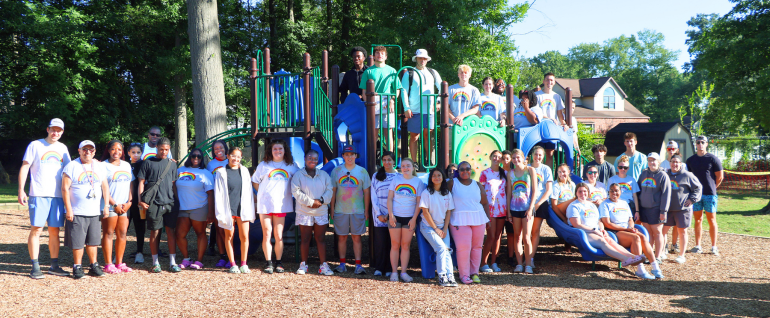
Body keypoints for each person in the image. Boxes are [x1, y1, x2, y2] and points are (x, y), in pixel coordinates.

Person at [18, 118, 71, 279]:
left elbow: (70, 170)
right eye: (53, 129)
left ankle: (54, 265)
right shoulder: (36, 145)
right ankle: (35, 266)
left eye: (59, 130)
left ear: (62, 132)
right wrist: (21, 190)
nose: (56, 133)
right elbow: (25, 166)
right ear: (47, 129)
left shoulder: (63, 148)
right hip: (39, 194)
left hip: (57, 196)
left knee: (54, 231)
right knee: (37, 230)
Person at [62, 140, 110, 279]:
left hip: (94, 211)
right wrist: (69, 209)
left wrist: (106, 205)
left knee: (93, 240)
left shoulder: (99, 166)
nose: (87, 152)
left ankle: (93, 265)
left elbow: (105, 187)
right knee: (77, 241)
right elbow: (65, 189)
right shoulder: (72, 166)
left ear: (94, 152)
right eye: (85, 149)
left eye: (90, 149)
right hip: (77, 211)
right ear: (79, 150)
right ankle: (77, 266)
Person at [567, 183, 645, 268]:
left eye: (585, 191)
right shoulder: (574, 206)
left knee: (611, 241)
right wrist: (594, 230)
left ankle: (633, 256)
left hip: (595, 231)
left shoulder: (591, 205)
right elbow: (577, 225)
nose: (583, 194)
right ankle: (624, 259)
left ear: (588, 193)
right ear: (576, 193)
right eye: (580, 191)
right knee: (602, 242)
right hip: (583, 232)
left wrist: (602, 229)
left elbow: (599, 221)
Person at [251, 139, 299, 274]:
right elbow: (254, 181)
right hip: (265, 205)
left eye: (280, 149)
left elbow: (300, 180)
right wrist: (262, 193)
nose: (278, 151)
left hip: (281, 205)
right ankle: (268, 263)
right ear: (270, 151)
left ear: (285, 151)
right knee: (266, 234)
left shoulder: (291, 165)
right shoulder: (264, 165)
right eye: (275, 149)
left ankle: (279, 262)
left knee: (278, 235)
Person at [600, 184, 662, 279]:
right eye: (611, 191)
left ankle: (655, 267)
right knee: (636, 238)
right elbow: (607, 223)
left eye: (616, 190)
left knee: (643, 237)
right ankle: (640, 269)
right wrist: (626, 229)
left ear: (620, 192)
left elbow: (630, 219)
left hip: (627, 229)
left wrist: (631, 227)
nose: (614, 193)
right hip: (615, 232)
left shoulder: (624, 203)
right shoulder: (605, 204)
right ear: (608, 192)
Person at [137, 137, 179, 273]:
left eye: (166, 150)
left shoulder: (172, 164)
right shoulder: (148, 163)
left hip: (170, 203)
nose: (164, 152)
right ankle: (155, 263)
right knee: (155, 232)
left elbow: (174, 184)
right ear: (157, 148)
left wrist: (177, 201)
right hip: (153, 203)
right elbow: (141, 182)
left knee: (171, 232)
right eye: (161, 149)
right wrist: (140, 200)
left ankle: (173, 262)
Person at [291, 150, 334, 275]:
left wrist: (320, 200)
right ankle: (303, 265)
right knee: (305, 238)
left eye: (315, 158)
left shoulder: (324, 175)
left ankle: (323, 265)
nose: (312, 160)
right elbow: (296, 192)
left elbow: (329, 190)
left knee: (320, 238)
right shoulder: (298, 175)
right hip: (305, 211)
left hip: (320, 211)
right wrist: (310, 202)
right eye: (310, 158)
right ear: (305, 158)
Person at [330, 145, 372, 274]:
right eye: (347, 155)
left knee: (357, 237)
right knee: (341, 237)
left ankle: (358, 265)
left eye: (352, 154)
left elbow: (366, 192)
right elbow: (333, 192)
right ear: (343, 156)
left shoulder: (362, 171)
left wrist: (366, 210)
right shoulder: (336, 171)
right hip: (340, 210)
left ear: (355, 156)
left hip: (357, 210)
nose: (349, 157)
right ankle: (342, 264)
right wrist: (331, 209)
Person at [214, 147, 255, 274]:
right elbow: (218, 193)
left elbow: (249, 192)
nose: (235, 159)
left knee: (244, 236)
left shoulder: (244, 171)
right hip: (228, 209)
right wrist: (219, 212)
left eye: (238, 157)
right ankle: (232, 264)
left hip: (242, 208)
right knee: (229, 236)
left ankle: (243, 263)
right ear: (228, 156)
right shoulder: (221, 172)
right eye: (233, 156)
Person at [449, 161, 490, 284]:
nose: (465, 171)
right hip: (458, 220)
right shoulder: (451, 183)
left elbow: (485, 203)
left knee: (477, 247)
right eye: (462, 169)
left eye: (468, 169)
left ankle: (475, 273)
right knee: (463, 248)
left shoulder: (477, 184)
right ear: (458, 171)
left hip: (478, 219)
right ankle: (464, 275)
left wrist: (488, 219)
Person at [174, 148, 214, 270]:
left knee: (200, 233)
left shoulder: (205, 173)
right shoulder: (180, 171)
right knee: (179, 234)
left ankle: (199, 260)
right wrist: (176, 200)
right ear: (189, 157)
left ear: (202, 159)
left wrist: (211, 212)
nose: (196, 159)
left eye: (199, 157)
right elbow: (173, 185)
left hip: (199, 207)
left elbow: (210, 193)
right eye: (193, 156)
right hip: (182, 208)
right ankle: (186, 258)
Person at [386, 158, 425, 282]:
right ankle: (394, 272)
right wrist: (391, 215)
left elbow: (419, 202)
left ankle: (403, 272)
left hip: (409, 218)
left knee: (405, 245)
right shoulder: (395, 179)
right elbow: (390, 198)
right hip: (395, 217)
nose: (405, 168)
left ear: (413, 167)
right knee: (395, 244)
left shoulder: (418, 182)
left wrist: (414, 219)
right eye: (403, 166)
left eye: (408, 165)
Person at [401, 49, 442, 164]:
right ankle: (414, 164)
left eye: (424, 58)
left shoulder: (433, 72)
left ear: (427, 60)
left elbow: (442, 88)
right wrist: (406, 108)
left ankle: (429, 162)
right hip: (414, 109)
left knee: (428, 134)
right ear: (416, 59)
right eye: (420, 58)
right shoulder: (409, 73)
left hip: (429, 110)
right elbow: (403, 91)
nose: (422, 60)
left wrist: (438, 102)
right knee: (414, 136)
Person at [100, 140, 135, 274]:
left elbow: (131, 184)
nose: (116, 152)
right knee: (108, 233)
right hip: (110, 205)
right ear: (108, 150)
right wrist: (114, 204)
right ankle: (108, 264)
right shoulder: (103, 166)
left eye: (119, 149)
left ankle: (119, 262)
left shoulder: (126, 165)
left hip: (124, 205)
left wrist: (130, 202)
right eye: (113, 149)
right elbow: (103, 188)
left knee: (122, 233)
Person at [419, 168, 457, 287]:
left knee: (447, 250)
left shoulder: (447, 193)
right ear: (431, 178)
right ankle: (442, 276)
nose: (436, 177)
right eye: (434, 175)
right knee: (441, 248)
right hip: (428, 227)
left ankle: (450, 276)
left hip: (442, 227)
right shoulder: (426, 193)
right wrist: (436, 229)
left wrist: (445, 229)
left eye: (439, 175)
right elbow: (425, 212)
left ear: (442, 177)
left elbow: (448, 212)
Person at [686, 136, 724, 256]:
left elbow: (720, 177)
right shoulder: (690, 160)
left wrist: (713, 187)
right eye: (698, 142)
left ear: (706, 144)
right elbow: (688, 178)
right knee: (697, 220)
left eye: (703, 142)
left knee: (712, 220)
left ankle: (714, 247)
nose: (700, 144)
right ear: (695, 144)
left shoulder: (713, 159)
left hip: (709, 195)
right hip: (696, 195)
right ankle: (698, 246)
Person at [360, 46, 401, 148]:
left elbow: (397, 89)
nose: (380, 55)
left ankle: (390, 160)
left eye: (382, 53)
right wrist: (369, 104)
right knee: (373, 134)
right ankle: (372, 162)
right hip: (373, 102)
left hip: (387, 102)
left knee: (388, 133)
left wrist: (392, 100)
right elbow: (364, 91)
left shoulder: (392, 71)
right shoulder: (368, 71)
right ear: (374, 56)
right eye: (377, 53)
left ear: (386, 56)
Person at [664, 155, 702, 264]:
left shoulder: (687, 175)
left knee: (682, 231)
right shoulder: (666, 174)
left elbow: (698, 188)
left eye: (677, 162)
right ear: (669, 163)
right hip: (668, 209)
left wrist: (692, 199)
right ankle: (662, 252)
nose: (674, 164)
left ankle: (681, 255)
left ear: (681, 164)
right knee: (663, 231)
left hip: (682, 209)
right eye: (673, 162)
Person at [505, 149, 538, 274]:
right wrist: (508, 211)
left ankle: (528, 264)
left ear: (523, 158)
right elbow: (509, 194)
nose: (516, 160)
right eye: (513, 158)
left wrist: (530, 208)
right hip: (515, 208)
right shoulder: (510, 173)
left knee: (526, 237)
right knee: (517, 237)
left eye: (518, 157)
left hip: (527, 208)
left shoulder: (530, 171)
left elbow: (534, 191)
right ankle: (519, 264)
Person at [637, 152, 672, 260]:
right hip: (644, 208)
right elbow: (638, 190)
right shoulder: (643, 174)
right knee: (648, 233)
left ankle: (658, 256)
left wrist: (663, 211)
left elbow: (666, 195)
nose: (652, 162)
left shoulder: (663, 176)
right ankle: (650, 255)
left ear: (658, 162)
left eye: (654, 160)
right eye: (650, 160)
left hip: (656, 209)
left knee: (657, 233)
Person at [370, 151, 399, 276]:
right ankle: (379, 267)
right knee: (380, 242)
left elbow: (399, 197)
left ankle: (389, 268)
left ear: (394, 161)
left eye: (389, 160)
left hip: (393, 215)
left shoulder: (399, 176)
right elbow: (373, 196)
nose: (387, 162)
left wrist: (390, 214)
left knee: (392, 242)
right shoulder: (376, 176)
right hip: (379, 215)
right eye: (384, 160)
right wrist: (378, 214)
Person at [479, 150, 507, 273]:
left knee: (498, 236)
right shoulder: (485, 173)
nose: (496, 159)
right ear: (490, 157)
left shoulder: (505, 173)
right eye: (494, 156)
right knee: (490, 236)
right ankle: (483, 263)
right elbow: (480, 192)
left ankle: (494, 262)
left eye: (499, 157)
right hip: (489, 209)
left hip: (502, 209)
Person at [528, 146, 553, 268]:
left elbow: (548, 190)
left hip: (540, 203)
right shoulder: (527, 168)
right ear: (532, 155)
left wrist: (537, 204)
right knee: (525, 231)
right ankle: (525, 256)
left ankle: (531, 257)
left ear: (543, 157)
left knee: (535, 230)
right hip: (527, 203)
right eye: (536, 154)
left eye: (540, 155)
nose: (538, 157)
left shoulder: (546, 169)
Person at [206, 140, 229, 267]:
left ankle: (232, 253)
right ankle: (222, 256)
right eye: (215, 148)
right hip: (216, 199)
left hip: (230, 199)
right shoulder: (211, 165)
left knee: (229, 228)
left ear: (225, 148)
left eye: (220, 147)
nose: (218, 150)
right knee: (219, 228)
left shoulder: (231, 160)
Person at [536, 73, 566, 167]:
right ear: (543, 81)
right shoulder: (537, 95)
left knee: (550, 153)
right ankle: (537, 174)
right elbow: (535, 113)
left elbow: (559, 114)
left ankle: (547, 177)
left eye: (551, 80)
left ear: (554, 82)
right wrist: (549, 118)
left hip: (552, 130)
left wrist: (564, 124)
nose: (549, 82)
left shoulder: (556, 96)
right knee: (537, 153)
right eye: (547, 80)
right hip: (539, 128)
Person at [126, 143, 148, 264]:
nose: (135, 155)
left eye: (138, 152)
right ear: (128, 152)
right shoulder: (124, 165)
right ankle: (119, 254)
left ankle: (139, 252)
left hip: (139, 202)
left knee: (140, 228)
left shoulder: (144, 164)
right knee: (123, 229)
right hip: (125, 201)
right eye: (133, 152)